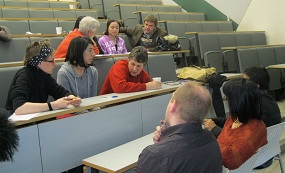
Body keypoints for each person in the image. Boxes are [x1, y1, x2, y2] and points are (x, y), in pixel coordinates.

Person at [134, 81, 223, 173]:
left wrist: (158, 149)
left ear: (173, 105)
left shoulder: (153, 156)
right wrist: (162, 144)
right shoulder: (210, 138)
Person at [5, 39, 82, 115]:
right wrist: (53, 105)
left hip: (36, 119)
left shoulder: (45, 76)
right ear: (39, 62)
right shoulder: (24, 76)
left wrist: (72, 98)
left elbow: (61, 92)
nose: (55, 64)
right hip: (17, 124)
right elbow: (19, 108)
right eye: (51, 61)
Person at [204, 66, 281, 137]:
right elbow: (233, 121)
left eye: (245, 81)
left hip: (253, 149)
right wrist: (213, 120)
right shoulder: (269, 100)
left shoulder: (252, 105)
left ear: (256, 86)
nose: (242, 84)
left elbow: (235, 140)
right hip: (268, 148)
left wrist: (214, 128)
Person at [217, 78, 267, 170]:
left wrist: (210, 142)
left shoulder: (255, 129)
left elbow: (229, 161)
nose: (226, 101)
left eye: (227, 98)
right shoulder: (235, 118)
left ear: (237, 102)